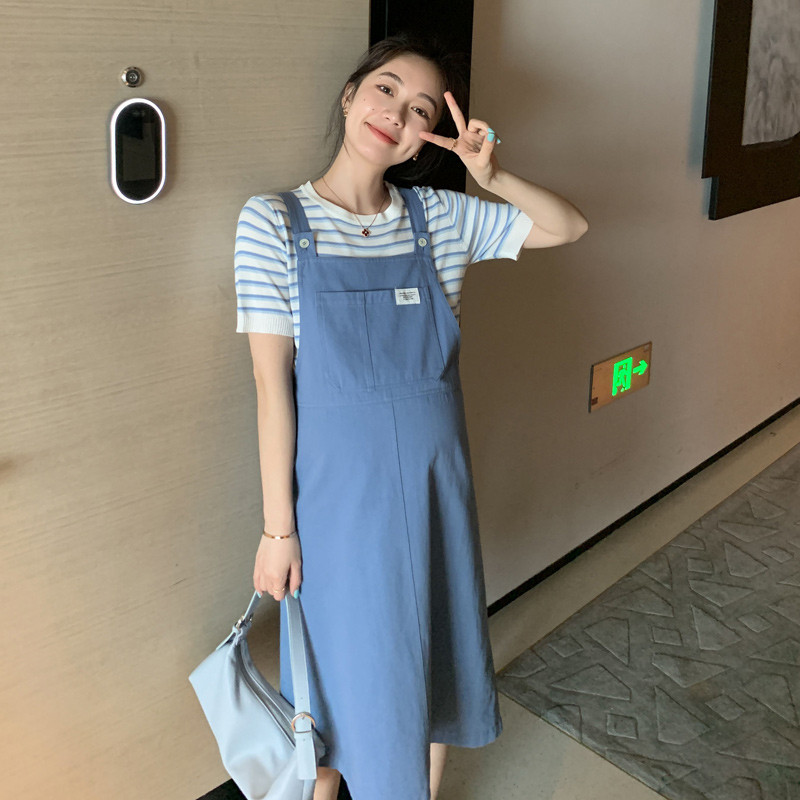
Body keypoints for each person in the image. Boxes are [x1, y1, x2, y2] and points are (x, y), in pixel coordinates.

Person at [234, 32, 588, 800]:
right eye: (387, 89)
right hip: (334, 502)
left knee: (431, 657)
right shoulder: (274, 222)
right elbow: (271, 387)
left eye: (422, 109)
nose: (397, 113)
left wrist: (491, 176)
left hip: (434, 488)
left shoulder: (441, 217)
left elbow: (568, 227)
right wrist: (277, 530)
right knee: (339, 669)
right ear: (351, 95)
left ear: (427, 138)